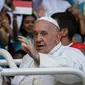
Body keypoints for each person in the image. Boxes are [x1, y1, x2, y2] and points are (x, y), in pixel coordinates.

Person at [12, 17, 85, 85]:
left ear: (58, 37)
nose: (38, 39)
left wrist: (39, 57)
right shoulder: (28, 57)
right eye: (35, 34)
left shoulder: (71, 52)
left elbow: (76, 74)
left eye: (44, 34)